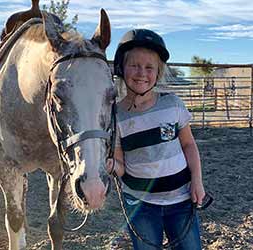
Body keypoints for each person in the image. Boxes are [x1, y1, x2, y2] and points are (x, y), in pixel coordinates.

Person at [107, 29, 206, 250]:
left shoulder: (172, 105)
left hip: (181, 200)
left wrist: (197, 181)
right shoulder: (116, 116)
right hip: (140, 204)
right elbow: (121, 166)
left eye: (149, 67)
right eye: (134, 65)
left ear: (158, 72)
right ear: (121, 68)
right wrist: (112, 165)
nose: (142, 72)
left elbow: (189, 144)